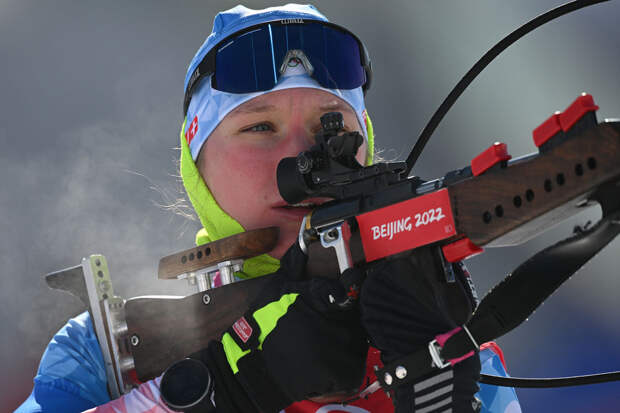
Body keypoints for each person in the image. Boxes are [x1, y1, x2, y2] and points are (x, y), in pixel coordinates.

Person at [16, 4, 521, 413]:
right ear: (197, 169)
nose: (303, 155)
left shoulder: (433, 327)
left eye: (331, 127)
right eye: (259, 127)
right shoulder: (108, 350)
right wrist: (225, 391)